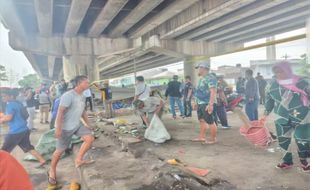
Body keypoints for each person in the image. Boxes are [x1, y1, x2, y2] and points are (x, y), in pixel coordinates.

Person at [263, 62, 310, 172]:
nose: (279, 74)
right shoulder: (271, 85)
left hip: (302, 116)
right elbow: (269, 100)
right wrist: (265, 114)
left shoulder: (302, 82)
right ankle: (286, 161)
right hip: (281, 117)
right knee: (283, 140)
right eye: (276, 72)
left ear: (288, 70)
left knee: (303, 140)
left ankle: (306, 162)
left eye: (281, 71)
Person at [48, 75, 95, 185]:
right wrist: (58, 129)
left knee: (89, 138)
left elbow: (83, 112)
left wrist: (88, 124)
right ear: (79, 84)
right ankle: (52, 170)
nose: (88, 84)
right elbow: (60, 112)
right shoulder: (68, 96)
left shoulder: (82, 96)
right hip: (65, 128)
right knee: (59, 152)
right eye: (86, 83)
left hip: (76, 125)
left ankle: (78, 159)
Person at [0, 89, 46, 166]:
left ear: (11, 96)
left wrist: (2, 119)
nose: (3, 98)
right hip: (24, 129)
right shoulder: (18, 103)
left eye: (4, 96)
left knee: (4, 151)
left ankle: (3, 168)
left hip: (15, 132)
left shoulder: (10, 105)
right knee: (28, 147)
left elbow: (8, 118)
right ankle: (42, 160)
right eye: (2, 96)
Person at [192, 62, 217, 144]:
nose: (198, 70)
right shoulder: (202, 78)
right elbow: (198, 92)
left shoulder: (210, 78)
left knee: (210, 121)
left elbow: (213, 91)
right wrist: (196, 102)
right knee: (202, 120)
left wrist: (210, 104)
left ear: (204, 68)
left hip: (206, 103)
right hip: (200, 103)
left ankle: (213, 139)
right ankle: (201, 137)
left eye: (199, 68)